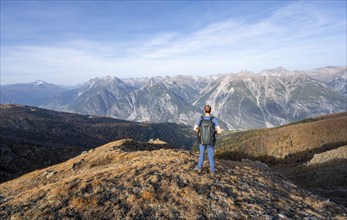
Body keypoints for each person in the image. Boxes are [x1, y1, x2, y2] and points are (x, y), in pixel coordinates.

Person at [194, 105, 222, 177]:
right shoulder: (213, 119)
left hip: (202, 140)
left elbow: (195, 129)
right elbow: (219, 131)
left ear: (204, 110)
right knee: (211, 156)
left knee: (201, 154)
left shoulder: (201, 119)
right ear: (210, 110)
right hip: (210, 141)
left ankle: (199, 167)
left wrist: (200, 131)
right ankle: (212, 171)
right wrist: (214, 132)